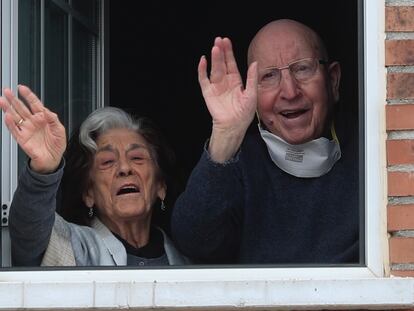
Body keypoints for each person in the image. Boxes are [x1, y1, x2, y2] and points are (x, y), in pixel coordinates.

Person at [171, 19, 359, 264]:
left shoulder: (374, 148)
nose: (290, 92)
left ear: (332, 80)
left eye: (302, 68)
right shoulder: (240, 160)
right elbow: (194, 243)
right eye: (269, 76)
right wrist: (226, 135)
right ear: (254, 95)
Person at [0, 85, 190, 266]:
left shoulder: (189, 264)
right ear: (88, 194)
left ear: (161, 186)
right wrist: (43, 170)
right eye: (107, 162)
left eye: (137, 157)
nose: (125, 168)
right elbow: (29, 231)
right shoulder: (72, 247)